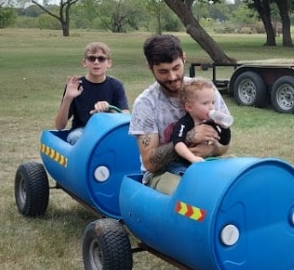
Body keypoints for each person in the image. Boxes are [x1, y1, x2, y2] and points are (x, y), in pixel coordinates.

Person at [129, 34, 231, 194]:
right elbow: (150, 163)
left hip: (206, 163)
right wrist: (188, 138)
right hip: (162, 173)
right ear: (150, 67)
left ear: (184, 58)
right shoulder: (145, 104)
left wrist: (211, 150)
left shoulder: (204, 91)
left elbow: (225, 145)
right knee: (190, 194)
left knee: (239, 183)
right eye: (163, 71)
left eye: (176, 68)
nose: (172, 77)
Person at [55, 42, 129, 145]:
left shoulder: (116, 86)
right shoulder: (76, 86)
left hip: (108, 130)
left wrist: (109, 109)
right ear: (85, 62)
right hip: (82, 131)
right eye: (92, 58)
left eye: (101, 59)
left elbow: (125, 116)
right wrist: (67, 98)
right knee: (75, 137)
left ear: (109, 63)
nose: (96, 62)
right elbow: (59, 126)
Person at [162, 77, 233, 175]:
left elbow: (224, 141)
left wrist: (224, 127)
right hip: (182, 163)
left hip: (205, 161)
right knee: (182, 172)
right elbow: (178, 143)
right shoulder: (184, 123)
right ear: (189, 107)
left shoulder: (211, 122)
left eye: (213, 102)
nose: (211, 107)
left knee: (230, 163)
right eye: (205, 103)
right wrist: (192, 158)